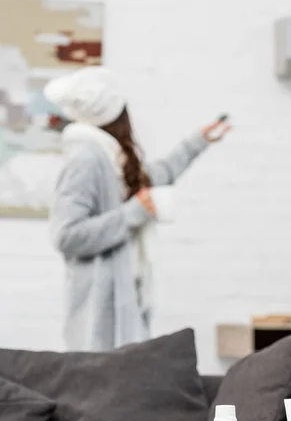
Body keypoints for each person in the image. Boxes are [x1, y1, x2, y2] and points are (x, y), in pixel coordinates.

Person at [45, 66, 230, 352]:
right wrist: (133, 213)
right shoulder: (86, 160)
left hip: (125, 298)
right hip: (99, 315)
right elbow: (66, 235)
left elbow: (155, 177)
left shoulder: (110, 157)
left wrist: (199, 141)